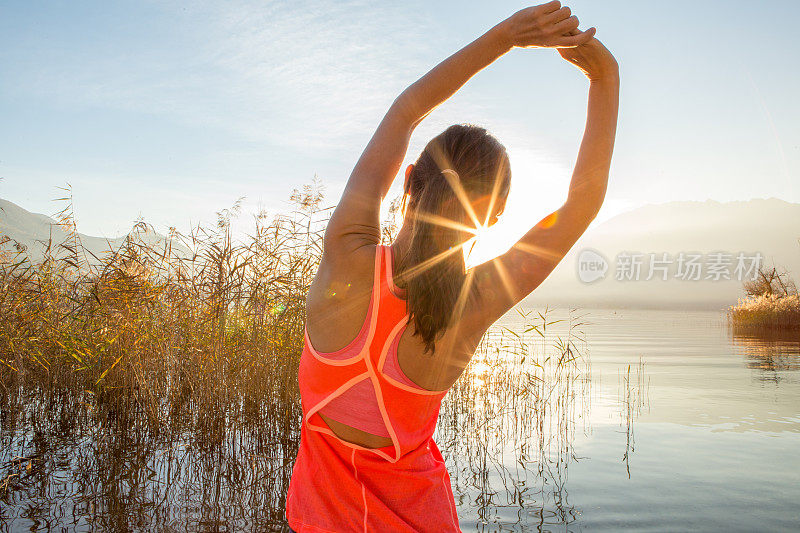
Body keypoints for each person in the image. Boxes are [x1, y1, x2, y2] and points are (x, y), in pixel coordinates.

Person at [285, 2, 619, 531]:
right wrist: (605, 77)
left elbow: (406, 110)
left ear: (410, 178)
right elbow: (583, 202)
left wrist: (507, 36)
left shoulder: (347, 256)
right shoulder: (478, 300)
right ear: (495, 216)